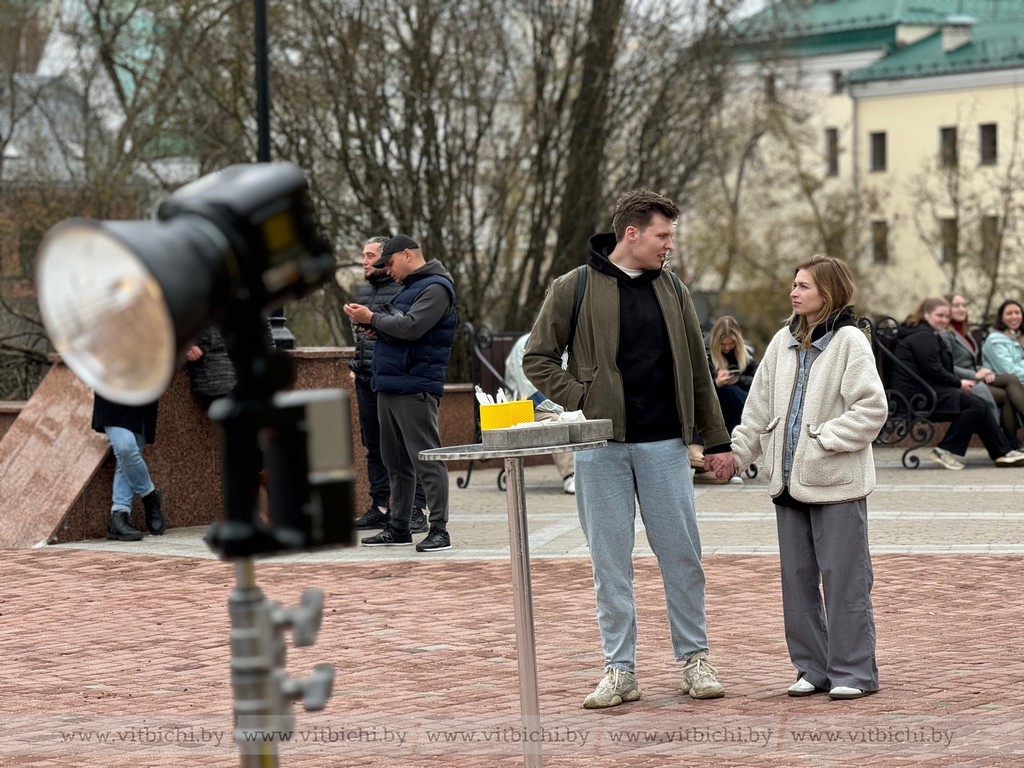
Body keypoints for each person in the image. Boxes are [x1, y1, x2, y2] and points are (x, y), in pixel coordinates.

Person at [524, 188, 731, 708]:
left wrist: (717, 440)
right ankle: (620, 669)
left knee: (683, 557)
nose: (669, 246)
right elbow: (538, 358)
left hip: (665, 445)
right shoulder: (573, 287)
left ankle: (695, 659)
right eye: (663, 235)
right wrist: (584, 397)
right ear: (632, 233)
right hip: (600, 448)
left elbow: (698, 371)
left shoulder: (675, 290)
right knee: (609, 563)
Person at [725, 254, 887, 700]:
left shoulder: (851, 342)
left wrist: (823, 439)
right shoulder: (781, 341)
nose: (794, 292)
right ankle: (813, 669)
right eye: (794, 284)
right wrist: (737, 455)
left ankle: (853, 672)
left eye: (804, 286)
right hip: (787, 483)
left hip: (836, 482)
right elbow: (757, 409)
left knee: (844, 581)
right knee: (797, 582)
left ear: (828, 292)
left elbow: (872, 409)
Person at [343, 234, 457, 553]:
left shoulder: (436, 287)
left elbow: (412, 328)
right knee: (394, 461)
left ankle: (439, 530)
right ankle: (398, 526)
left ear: (408, 255)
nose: (387, 270)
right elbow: (401, 327)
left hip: (415, 385)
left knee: (426, 458)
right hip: (390, 383)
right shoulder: (410, 288)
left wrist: (373, 319)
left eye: (389, 262)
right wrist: (376, 328)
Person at [346, 236, 428, 533]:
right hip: (367, 377)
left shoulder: (405, 289)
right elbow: (363, 337)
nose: (365, 261)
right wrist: (356, 364)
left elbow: (406, 331)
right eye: (363, 256)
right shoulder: (365, 292)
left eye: (371, 256)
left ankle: (417, 508)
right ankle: (380, 506)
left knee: (407, 447)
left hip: (397, 379)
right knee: (375, 446)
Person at [892, 297, 1024, 470]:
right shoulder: (923, 336)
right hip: (917, 396)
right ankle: (946, 449)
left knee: (978, 404)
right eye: (939, 315)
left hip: (924, 391)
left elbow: (937, 369)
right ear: (926, 314)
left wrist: (960, 382)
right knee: (975, 405)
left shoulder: (927, 334)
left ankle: (1002, 452)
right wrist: (960, 383)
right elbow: (935, 370)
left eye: (946, 317)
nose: (944, 320)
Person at [945, 294, 1024, 450]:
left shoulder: (965, 333)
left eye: (964, 305)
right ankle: (1009, 443)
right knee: (1010, 381)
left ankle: (1010, 443)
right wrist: (975, 375)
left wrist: (981, 370)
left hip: (980, 377)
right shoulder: (946, 334)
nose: (962, 309)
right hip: (960, 382)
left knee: (1009, 387)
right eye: (956, 305)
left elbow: (971, 361)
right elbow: (946, 365)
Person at [503, 332, 575, 494]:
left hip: (558, 405)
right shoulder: (526, 345)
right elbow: (528, 391)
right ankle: (570, 474)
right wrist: (567, 409)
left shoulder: (566, 343)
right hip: (525, 409)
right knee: (558, 421)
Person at [92, 394, 163, 541]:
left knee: (127, 458)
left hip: (142, 390)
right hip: (111, 388)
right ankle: (150, 496)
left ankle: (119, 516)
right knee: (125, 448)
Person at [982, 299, 1024, 384]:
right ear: (1001, 318)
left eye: (1017, 313)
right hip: (1006, 386)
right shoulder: (995, 340)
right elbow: (1008, 371)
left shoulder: (1020, 337)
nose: (1014, 317)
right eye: (1009, 313)